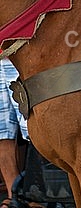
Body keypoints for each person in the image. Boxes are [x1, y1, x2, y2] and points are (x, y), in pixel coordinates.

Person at [0, 58, 29, 207]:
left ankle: (41, 195)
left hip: (17, 56)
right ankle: (14, 198)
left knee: (32, 128)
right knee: (1, 133)